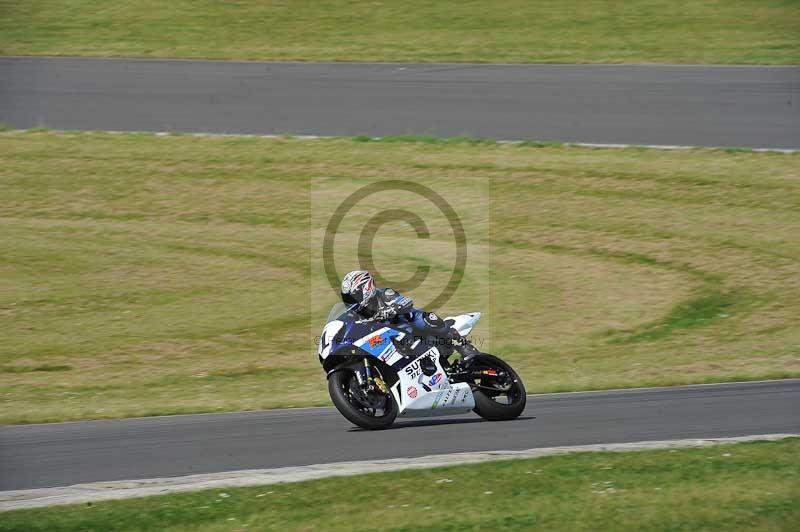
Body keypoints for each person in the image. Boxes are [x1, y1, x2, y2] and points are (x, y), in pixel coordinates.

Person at [340, 270, 481, 362]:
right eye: (348, 298)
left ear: (365, 288)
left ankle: (464, 347)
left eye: (353, 296)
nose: (351, 301)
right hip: (385, 339)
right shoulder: (356, 313)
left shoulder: (384, 294)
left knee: (426, 319)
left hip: (408, 327)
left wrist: (391, 309)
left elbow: (405, 302)